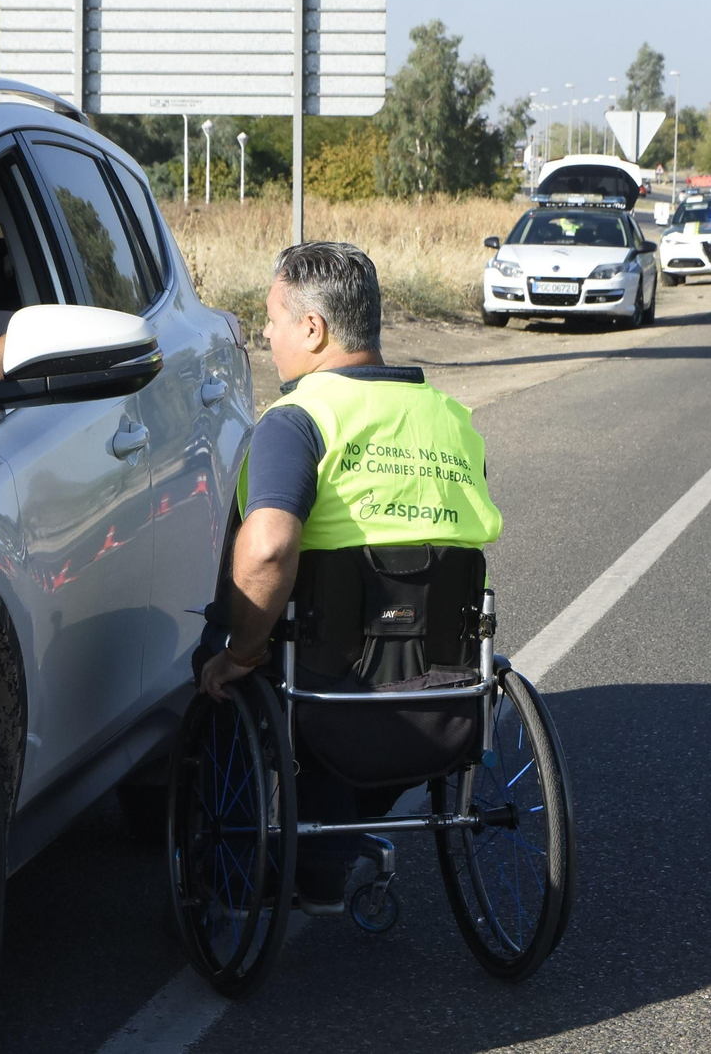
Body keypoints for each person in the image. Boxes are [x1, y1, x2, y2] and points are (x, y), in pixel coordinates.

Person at [196, 241, 503, 912]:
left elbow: (271, 547)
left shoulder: (297, 421)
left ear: (314, 328)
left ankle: (232, 882)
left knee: (226, 657)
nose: (265, 333)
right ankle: (330, 854)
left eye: (273, 317)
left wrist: (239, 652)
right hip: (441, 695)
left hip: (330, 691)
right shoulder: (453, 421)